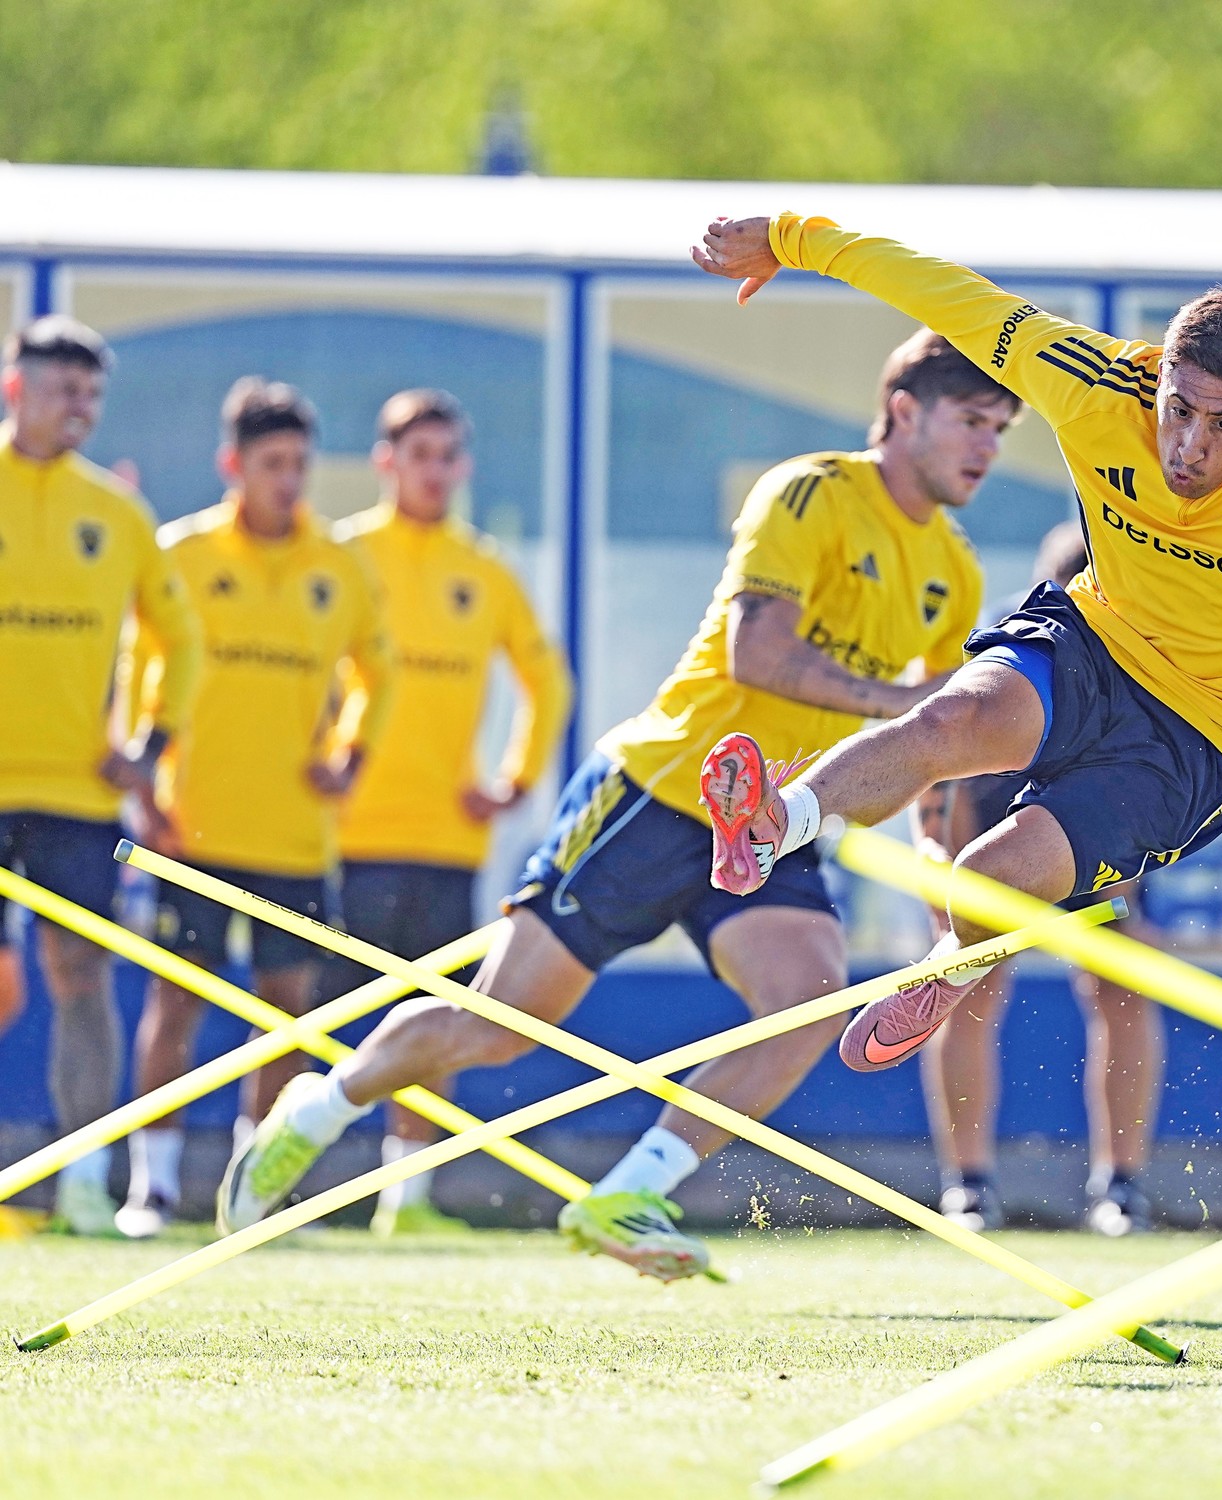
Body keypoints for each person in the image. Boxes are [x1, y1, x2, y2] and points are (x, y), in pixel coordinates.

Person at [218, 330, 1014, 1280]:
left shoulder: (954, 569)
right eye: (972, 421)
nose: (986, 447)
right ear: (905, 412)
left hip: (771, 819)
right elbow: (758, 655)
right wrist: (899, 704)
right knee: (497, 1026)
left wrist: (937, 860)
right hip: (659, 791)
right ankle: (319, 1107)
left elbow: (931, 745)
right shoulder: (808, 493)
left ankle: (630, 1192)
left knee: (808, 1004)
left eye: (1000, 430)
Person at [687, 212, 1222, 1077]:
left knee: (984, 878)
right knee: (948, 721)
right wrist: (794, 239)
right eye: (1178, 410)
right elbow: (950, 296)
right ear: (1159, 379)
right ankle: (775, 824)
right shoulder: (1095, 382)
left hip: (1210, 729)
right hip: (1097, 638)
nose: (1190, 446)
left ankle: (948, 972)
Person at [117, 378, 394, 1238]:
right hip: (192, 825)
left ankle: (252, 1190)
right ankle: (153, 1190)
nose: (289, 480)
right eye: (272, 463)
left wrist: (350, 758)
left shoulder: (337, 563)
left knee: (286, 1016)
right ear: (232, 464)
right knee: (176, 1002)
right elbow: (140, 675)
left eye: (300, 464)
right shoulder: (182, 553)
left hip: (295, 835)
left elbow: (378, 672)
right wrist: (143, 790)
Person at [318, 390, 572, 1237]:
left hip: (445, 839)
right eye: (418, 455)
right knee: (315, 1017)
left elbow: (548, 681)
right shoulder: (344, 554)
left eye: (448, 456)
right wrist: (315, 764)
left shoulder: (484, 569)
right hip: (343, 835)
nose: (435, 472)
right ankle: (284, 1180)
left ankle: (408, 1197)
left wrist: (514, 778)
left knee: (433, 1019)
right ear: (385, 462)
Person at [0, 316, 201, 1236]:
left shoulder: (117, 514)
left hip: (77, 795)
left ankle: (84, 1180)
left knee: (80, 976)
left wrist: (150, 748)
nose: (78, 407)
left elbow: (179, 639)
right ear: (16, 389)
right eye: (61, 389)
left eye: (91, 393)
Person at [918, 522, 1162, 1235]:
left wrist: (1122, 903)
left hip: (1096, 829)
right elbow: (938, 768)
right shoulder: (1002, 652)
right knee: (969, 986)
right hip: (995, 823)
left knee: (1120, 984)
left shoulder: (1150, 659)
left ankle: (1120, 1189)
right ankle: (968, 1188)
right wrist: (940, 868)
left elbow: (1148, 795)